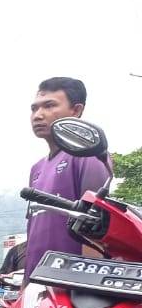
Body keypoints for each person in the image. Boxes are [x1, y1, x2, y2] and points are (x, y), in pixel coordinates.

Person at [25, 77, 112, 279]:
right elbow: (32, 229)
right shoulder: (36, 168)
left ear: (76, 110)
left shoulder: (88, 155)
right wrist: (25, 285)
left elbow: (94, 227)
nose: (38, 115)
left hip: (71, 287)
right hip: (37, 283)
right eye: (34, 108)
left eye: (49, 106)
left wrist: (87, 286)